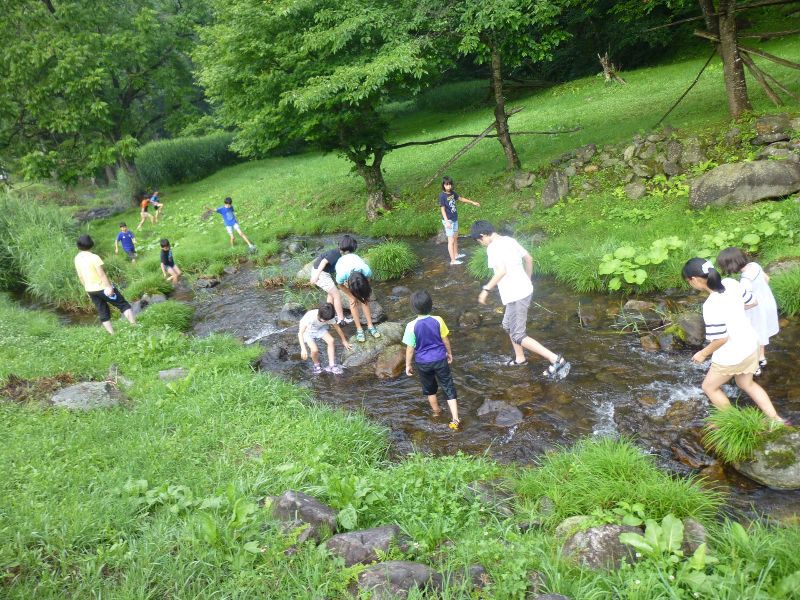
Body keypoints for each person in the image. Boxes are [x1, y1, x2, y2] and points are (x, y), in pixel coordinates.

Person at [682, 257, 784, 424]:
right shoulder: (731, 283)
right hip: (752, 345)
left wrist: (702, 353)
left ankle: (734, 422)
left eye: (688, 282)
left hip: (733, 354)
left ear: (693, 280)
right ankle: (776, 420)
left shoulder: (711, 304)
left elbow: (721, 338)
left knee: (709, 387)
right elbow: (753, 302)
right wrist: (734, 308)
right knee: (747, 384)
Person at [469, 220, 570, 379]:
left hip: (517, 295)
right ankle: (520, 358)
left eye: (479, 241)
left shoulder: (493, 248)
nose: (481, 244)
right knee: (508, 325)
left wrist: (486, 289)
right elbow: (529, 259)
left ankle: (556, 360)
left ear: (482, 236)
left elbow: (501, 271)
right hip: (521, 291)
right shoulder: (509, 240)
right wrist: (528, 280)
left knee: (518, 335)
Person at [716, 247, 779, 375]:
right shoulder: (754, 265)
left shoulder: (745, 280)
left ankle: (755, 366)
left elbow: (749, 301)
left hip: (756, 310)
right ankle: (762, 358)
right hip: (768, 304)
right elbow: (767, 279)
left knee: (753, 335)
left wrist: (736, 309)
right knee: (762, 331)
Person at [403, 290, 460, 430]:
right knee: (448, 386)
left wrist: (407, 364)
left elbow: (410, 349)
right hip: (440, 359)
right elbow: (445, 340)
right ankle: (455, 418)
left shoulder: (411, 326)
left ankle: (437, 412)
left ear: (413, 308)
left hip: (423, 363)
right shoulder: (438, 320)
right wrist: (449, 353)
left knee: (430, 389)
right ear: (431, 305)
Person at [74, 234, 136, 334]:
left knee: (102, 311)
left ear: (78, 246)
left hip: (90, 290)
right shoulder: (94, 257)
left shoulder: (77, 258)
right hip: (103, 288)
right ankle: (134, 326)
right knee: (123, 304)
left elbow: (80, 276)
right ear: (91, 244)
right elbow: (101, 274)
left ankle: (112, 334)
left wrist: (86, 289)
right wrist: (109, 287)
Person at [334, 235, 381, 342]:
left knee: (364, 300)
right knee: (353, 302)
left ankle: (370, 326)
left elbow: (368, 280)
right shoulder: (341, 274)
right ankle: (359, 328)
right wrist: (351, 295)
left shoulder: (365, 269)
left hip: (360, 279)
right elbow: (340, 285)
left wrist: (363, 291)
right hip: (348, 280)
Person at [298, 302, 352, 374]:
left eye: (326, 320)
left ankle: (332, 365)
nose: (323, 321)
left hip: (319, 328)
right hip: (307, 332)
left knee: (331, 340)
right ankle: (317, 365)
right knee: (314, 350)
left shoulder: (329, 316)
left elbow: (338, 329)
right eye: (321, 319)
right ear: (319, 314)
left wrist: (344, 340)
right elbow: (300, 333)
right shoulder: (310, 317)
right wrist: (303, 349)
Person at [439, 176, 480, 266]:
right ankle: (453, 261)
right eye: (447, 185)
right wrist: (446, 221)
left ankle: (456, 254)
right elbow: (442, 209)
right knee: (451, 241)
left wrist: (472, 202)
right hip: (448, 220)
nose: (449, 186)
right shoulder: (442, 196)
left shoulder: (452, 193)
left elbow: (461, 198)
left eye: (450, 184)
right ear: (443, 185)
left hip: (454, 218)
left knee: (455, 238)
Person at [310, 244, 351, 325]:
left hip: (323, 273)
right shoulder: (335, 253)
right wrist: (316, 276)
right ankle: (341, 319)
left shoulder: (339, 253)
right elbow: (323, 262)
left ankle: (329, 315)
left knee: (331, 293)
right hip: (321, 274)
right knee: (336, 294)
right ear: (347, 250)